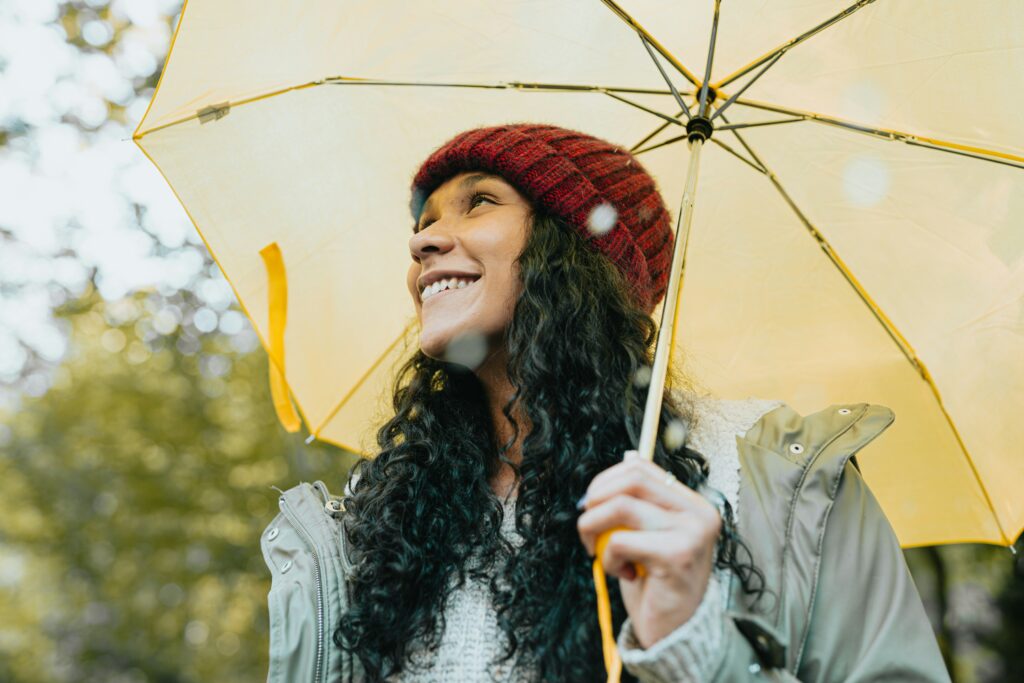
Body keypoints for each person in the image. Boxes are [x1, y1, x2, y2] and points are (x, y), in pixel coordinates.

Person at [261, 123, 951, 683]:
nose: (421, 241)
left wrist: (695, 644)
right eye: (426, 219)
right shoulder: (373, 525)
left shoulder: (780, 478)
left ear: (577, 254)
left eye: (480, 202)